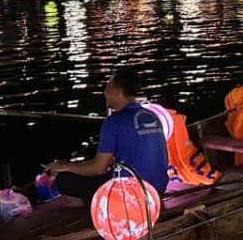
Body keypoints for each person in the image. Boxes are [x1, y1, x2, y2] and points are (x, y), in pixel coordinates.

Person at [47, 68, 169, 203]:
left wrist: (66, 166)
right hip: (157, 188)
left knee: (64, 180)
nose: (105, 93)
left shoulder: (113, 121)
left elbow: (99, 168)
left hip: (130, 193)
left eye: (107, 88)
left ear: (117, 91)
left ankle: (92, 208)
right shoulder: (152, 115)